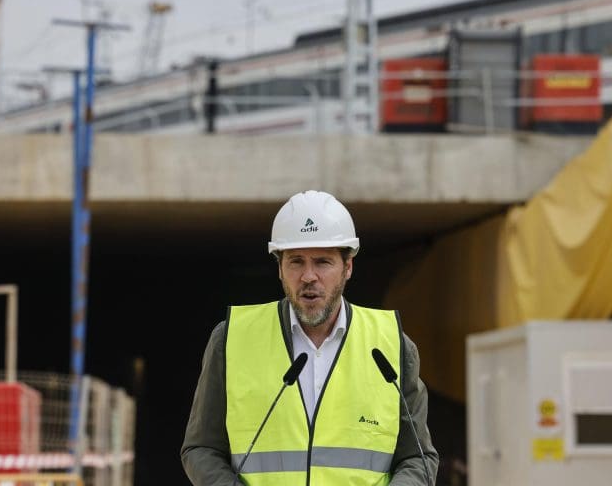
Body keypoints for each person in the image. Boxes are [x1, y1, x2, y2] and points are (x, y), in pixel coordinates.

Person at [181, 190, 439, 485]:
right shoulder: (230, 339)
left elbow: (418, 457)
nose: (308, 276)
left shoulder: (393, 346)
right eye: (296, 261)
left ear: (348, 267)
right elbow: (201, 449)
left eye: (322, 262)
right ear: (279, 268)